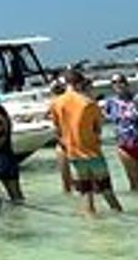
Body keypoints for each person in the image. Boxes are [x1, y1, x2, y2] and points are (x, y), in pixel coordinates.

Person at [48, 69, 122, 215]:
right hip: (92, 152)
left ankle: (92, 227)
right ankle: (121, 219)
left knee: (85, 194)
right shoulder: (89, 103)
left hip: (73, 154)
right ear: (80, 83)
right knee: (107, 191)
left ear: (66, 83)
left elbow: (58, 130)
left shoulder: (56, 103)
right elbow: (98, 129)